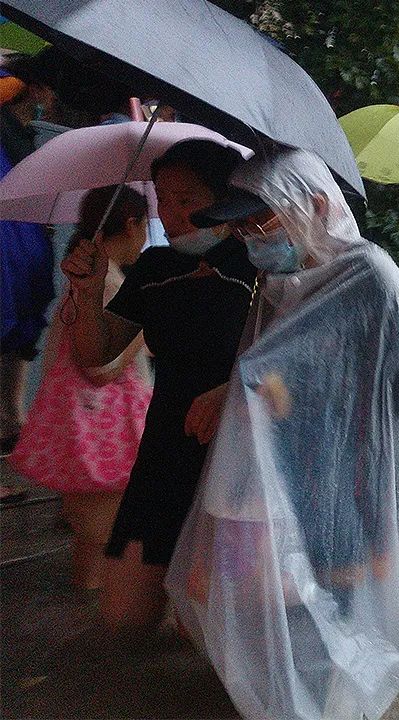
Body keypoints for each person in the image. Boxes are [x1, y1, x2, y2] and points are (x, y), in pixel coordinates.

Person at [166, 149, 399, 720]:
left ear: (312, 205)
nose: (249, 238)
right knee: (281, 640)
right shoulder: (282, 280)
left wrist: (256, 388)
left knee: (327, 643)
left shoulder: (367, 274)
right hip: (283, 491)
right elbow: (265, 372)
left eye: (261, 221)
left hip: (346, 492)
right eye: (241, 226)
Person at [61, 139, 254, 632]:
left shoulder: (261, 265)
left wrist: (234, 388)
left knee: (216, 630)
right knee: (124, 620)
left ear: (226, 197)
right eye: (162, 200)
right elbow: (96, 354)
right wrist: (88, 288)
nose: (170, 214)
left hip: (236, 450)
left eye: (186, 199)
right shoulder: (153, 268)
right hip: (165, 445)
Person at [9, 186, 152, 588]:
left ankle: (92, 600)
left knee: (91, 537)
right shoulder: (107, 282)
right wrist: (140, 335)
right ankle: (102, 611)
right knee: (103, 534)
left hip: (79, 424)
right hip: (105, 429)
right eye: (145, 225)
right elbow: (100, 369)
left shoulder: (87, 272)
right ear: (131, 224)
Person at [1, 66, 56, 492]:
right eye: (48, 90)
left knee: (23, 317)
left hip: (26, 236)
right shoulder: (6, 128)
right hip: (11, 238)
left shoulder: (25, 134)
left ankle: (13, 415)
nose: (51, 100)